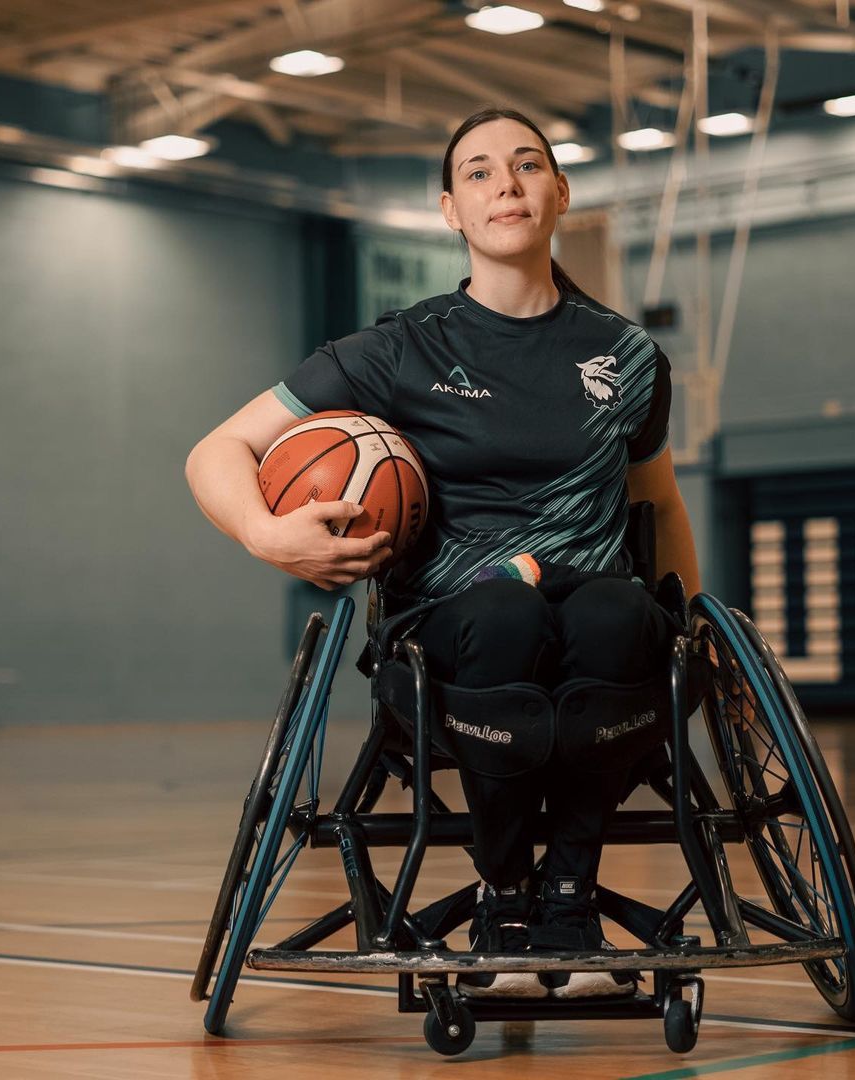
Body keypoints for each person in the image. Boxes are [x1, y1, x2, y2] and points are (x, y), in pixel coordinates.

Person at [185, 105, 701, 1002]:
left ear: (560, 193)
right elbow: (215, 451)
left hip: (595, 615)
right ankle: (505, 889)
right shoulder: (398, 349)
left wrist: (698, 633)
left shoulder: (627, 356)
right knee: (504, 614)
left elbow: (657, 502)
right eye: (478, 171)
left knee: (625, 613)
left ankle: (570, 892)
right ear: (450, 210)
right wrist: (269, 534)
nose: (506, 182)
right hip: (452, 625)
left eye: (528, 164)